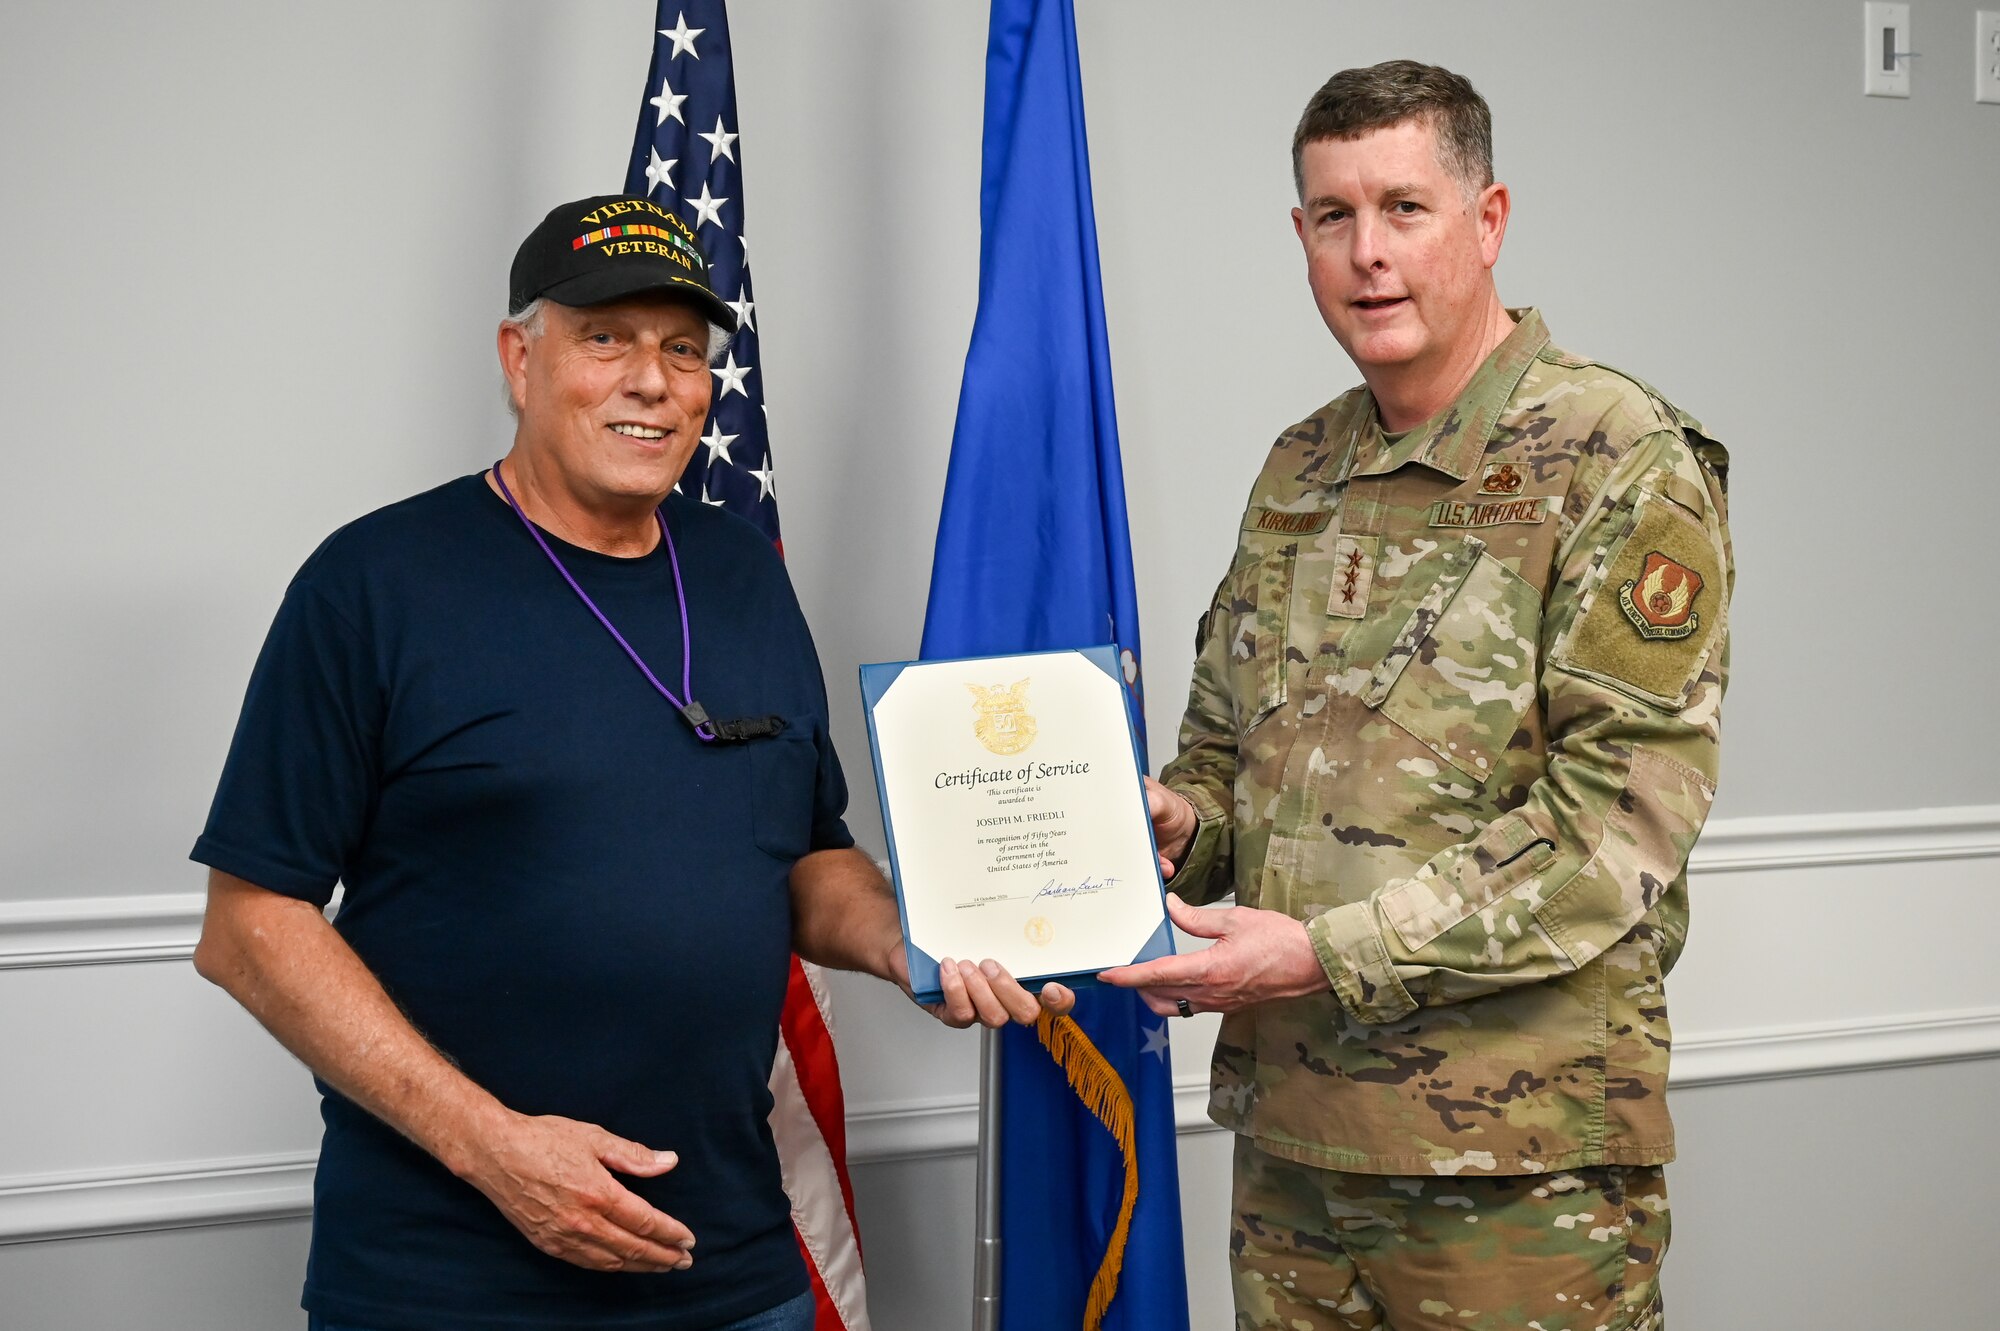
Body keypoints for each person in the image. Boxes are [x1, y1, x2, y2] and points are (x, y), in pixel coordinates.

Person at [191, 195, 1070, 1331]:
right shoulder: (373, 584)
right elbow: (248, 923)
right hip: (449, 1279)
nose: (651, 380)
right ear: (522, 357)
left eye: (682, 349)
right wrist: (493, 1146)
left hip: (733, 1269)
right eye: (605, 338)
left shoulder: (745, 576)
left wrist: (909, 937)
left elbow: (802, 848)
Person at [1102, 63, 1731, 1331]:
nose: (1366, 254)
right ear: (1299, 237)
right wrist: (1180, 822)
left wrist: (1322, 954)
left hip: (1512, 1166)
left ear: (1486, 219)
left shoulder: (1618, 456)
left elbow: (1613, 829)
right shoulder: (1300, 463)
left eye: (1403, 208)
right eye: (1332, 216)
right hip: (1292, 1144)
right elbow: (1229, 754)